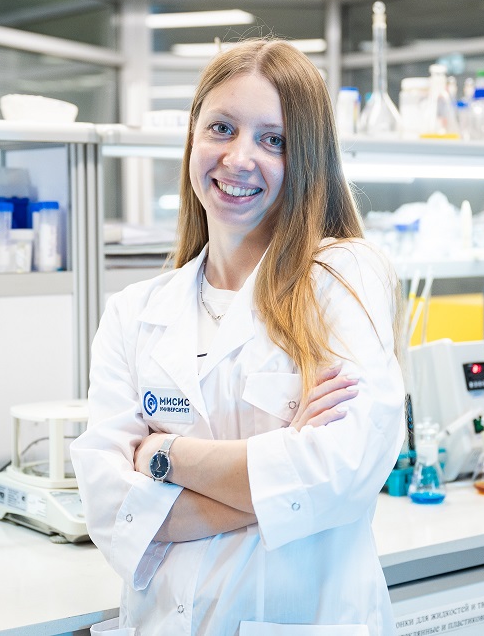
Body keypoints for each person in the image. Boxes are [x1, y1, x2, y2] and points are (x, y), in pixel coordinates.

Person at [71, 38, 405, 636]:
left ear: (307, 159)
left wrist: (165, 457)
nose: (239, 158)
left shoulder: (343, 277)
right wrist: (278, 474)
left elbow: (342, 473)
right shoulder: (134, 312)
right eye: (221, 128)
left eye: (273, 140)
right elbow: (109, 508)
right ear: (192, 137)